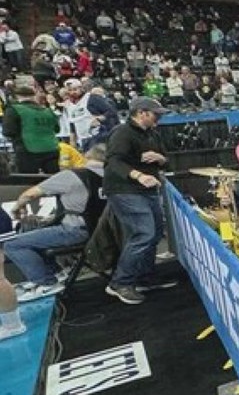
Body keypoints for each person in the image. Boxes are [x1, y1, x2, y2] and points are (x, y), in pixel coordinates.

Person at [6, 144, 107, 301]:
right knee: (35, 229)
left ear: (86, 155)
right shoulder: (113, 177)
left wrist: (17, 207)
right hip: (103, 231)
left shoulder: (73, 175)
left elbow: (30, 195)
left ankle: (46, 282)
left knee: (13, 244)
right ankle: (56, 274)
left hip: (76, 231)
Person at [104, 97, 174, 305]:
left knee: (154, 233)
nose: (158, 118)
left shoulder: (152, 133)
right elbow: (113, 161)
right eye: (155, 114)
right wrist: (138, 175)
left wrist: (160, 159)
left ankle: (145, 276)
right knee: (144, 233)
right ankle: (120, 282)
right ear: (141, 113)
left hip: (148, 189)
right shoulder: (122, 133)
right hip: (125, 189)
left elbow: (166, 158)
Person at [3, 84, 60, 173]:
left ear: (16, 96)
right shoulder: (47, 110)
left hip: (27, 149)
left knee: (29, 180)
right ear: (34, 96)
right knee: (53, 179)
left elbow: (8, 131)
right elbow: (57, 129)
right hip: (51, 148)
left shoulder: (14, 109)